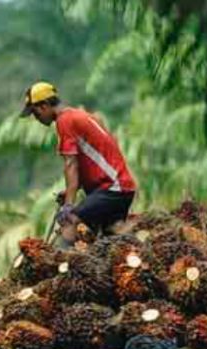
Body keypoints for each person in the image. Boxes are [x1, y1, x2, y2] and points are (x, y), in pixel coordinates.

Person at [20, 81, 137, 246]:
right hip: (120, 188)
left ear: (45, 105)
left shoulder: (65, 121)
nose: (36, 118)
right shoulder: (78, 115)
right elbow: (92, 160)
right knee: (111, 240)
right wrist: (70, 191)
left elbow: (71, 164)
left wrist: (68, 206)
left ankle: (59, 268)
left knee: (70, 222)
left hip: (112, 189)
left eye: (35, 113)